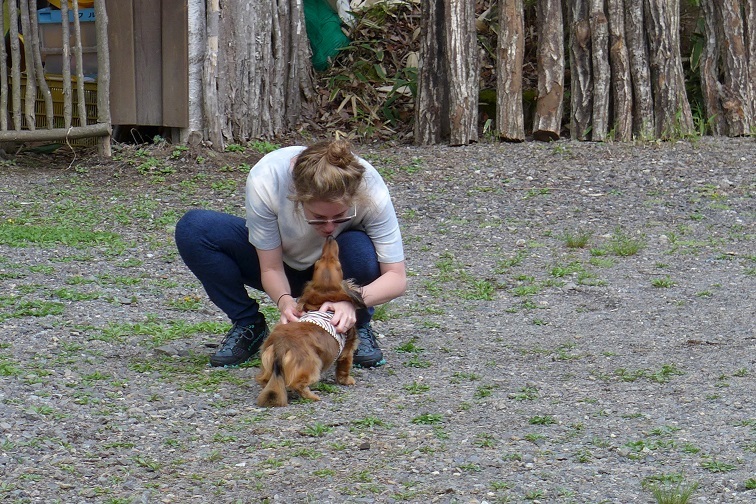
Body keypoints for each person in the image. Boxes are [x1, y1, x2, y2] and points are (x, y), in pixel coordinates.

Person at [174, 139, 407, 368]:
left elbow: (396, 277)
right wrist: (285, 302)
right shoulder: (267, 177)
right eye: (318, 217)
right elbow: (270, 267)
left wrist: (351, 301)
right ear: (297, 198)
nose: (328, 228)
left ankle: (355, 326)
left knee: (360, 247)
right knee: (194, 229)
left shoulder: (371, 187)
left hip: (334, 272)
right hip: (282, 263)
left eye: (339, 218)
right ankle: (248, 324)